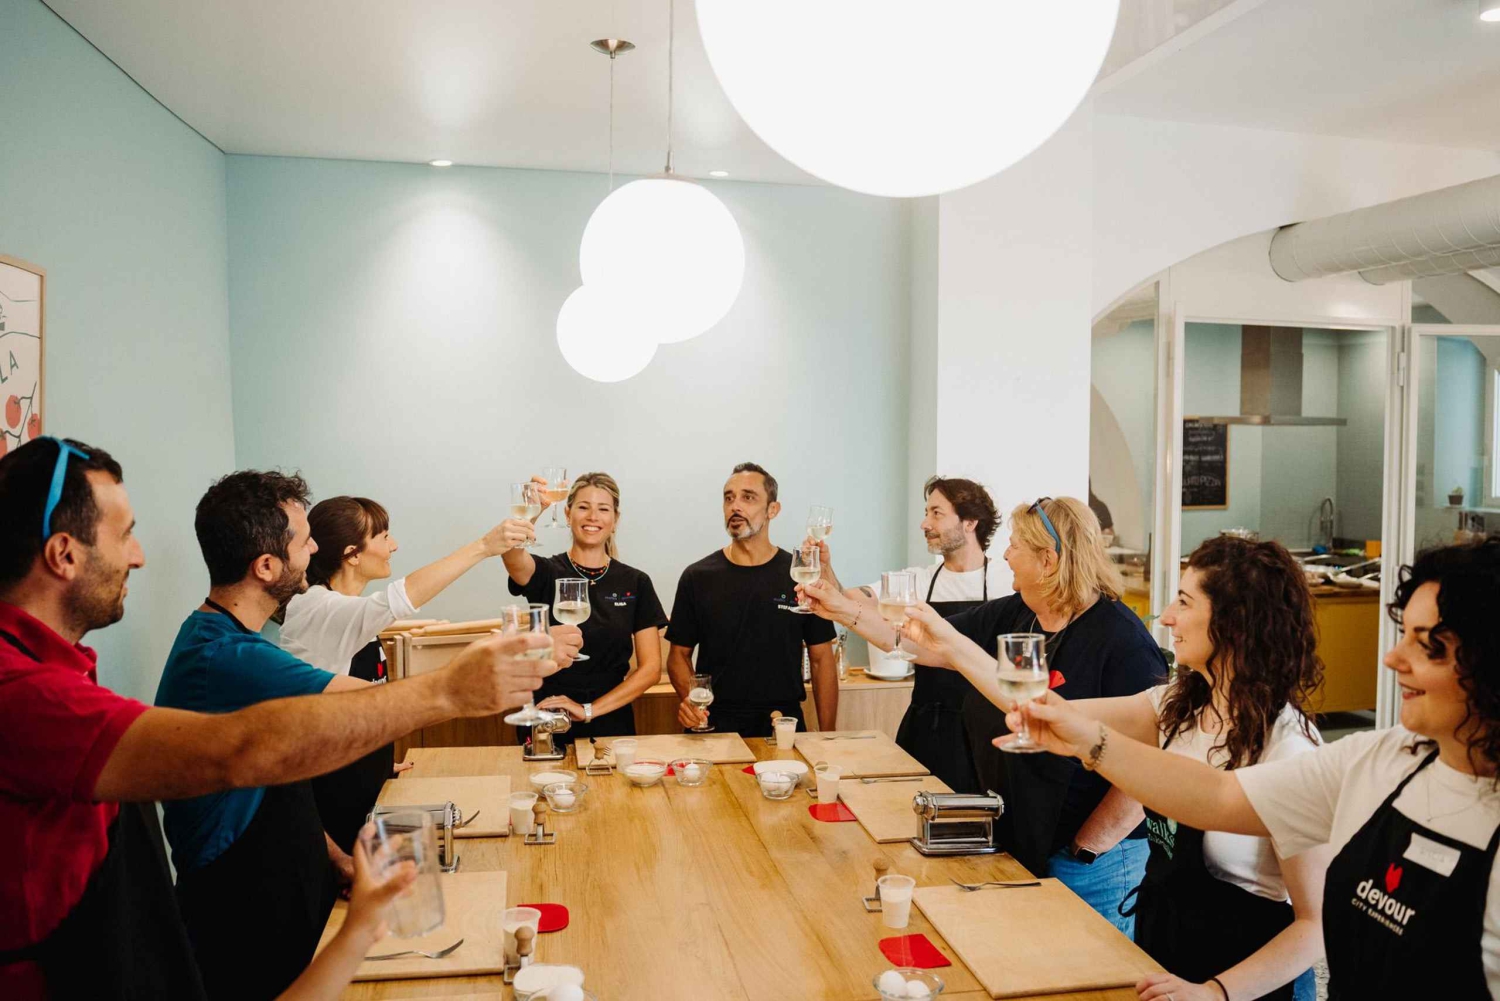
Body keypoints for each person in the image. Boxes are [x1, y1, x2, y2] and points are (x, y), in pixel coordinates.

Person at [0, 437, 552, 1001]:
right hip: (242, 921)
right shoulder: (34, 687)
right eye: (124, 535)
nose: (138, 555)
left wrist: (332, 858)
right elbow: (244, 750)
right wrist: (450, 692)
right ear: (63, 555)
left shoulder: (168, 651)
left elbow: (268, 777)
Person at [1005, 539, 1500, 999]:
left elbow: (1312, 922)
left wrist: (1218, 992)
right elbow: (1219, 797)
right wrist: (1085, 739)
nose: (1392, 659)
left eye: (1426, 643)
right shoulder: (1380, 759)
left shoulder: (1294, 745)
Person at [154, 470, 566, 1001]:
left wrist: (335, 860)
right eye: (304, 542)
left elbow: (280, 783)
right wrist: (472, 683)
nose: (315, 549)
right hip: (246, 911)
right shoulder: (231, 659)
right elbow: (373, 703)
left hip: (289, 882)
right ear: (266, 567)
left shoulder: (219, 638)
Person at [813, 497, 1165, 935]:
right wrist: (840, 609)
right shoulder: (1017, 613)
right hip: (1022, 839)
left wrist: (1086, 849)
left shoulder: (1121, 640)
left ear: (1049, 560)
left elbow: (1153, 762)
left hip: (1091, 863)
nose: (1004, 555)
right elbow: (924, 644)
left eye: (1015, 545)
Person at [281, 495, 579, 852]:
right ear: (353, 554)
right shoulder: (317, 609)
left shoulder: (347, 613)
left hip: (359, 784)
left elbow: (363, 694)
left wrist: (376, 762)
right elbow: (402, 598)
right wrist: (484, 546)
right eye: (384, 536)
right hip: (327, 801)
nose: (394, 545)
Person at [806, 475, 1010, 791]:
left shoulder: (1005, 583)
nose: (924, 523)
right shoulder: (916, 580)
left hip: (984, 731)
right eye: (926, 513)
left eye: (936, 513)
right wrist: (824, 567)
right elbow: (846, 599)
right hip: (927, 726)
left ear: (970, 522)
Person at [668, 462, 838, 736]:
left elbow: (821, 660)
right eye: (728, 498)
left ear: (773, 509)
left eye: (748, 497)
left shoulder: (801, 574)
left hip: (782, 723)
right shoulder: (697, 576)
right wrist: (691, 699)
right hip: (714, 724)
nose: (735, 506)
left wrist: (828, 735)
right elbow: (678, 655)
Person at [501, 472, 667, 743]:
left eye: (603, 509)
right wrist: (532, 512)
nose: (593, 516)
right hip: (547, 714)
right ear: (567, 515)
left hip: (611, 719)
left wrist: (588, 710)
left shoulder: (636, 582)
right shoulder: (546, 571)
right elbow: (511, 556)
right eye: (583, 507)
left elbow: (650, 669)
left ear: (615, 520)